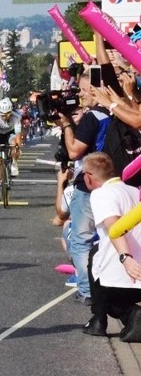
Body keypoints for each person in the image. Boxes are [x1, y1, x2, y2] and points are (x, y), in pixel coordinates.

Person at [56, 72, 111, 305]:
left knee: (80, 240)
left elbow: (74, 151)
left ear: (96, 90)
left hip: (88, 182)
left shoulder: (93, 117)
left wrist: (67, 124)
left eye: (83, 90)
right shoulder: (113, 113)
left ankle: (88, 290)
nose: (80, 95)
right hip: (111, 179)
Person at [82, 152, 141, 340]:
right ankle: (131, 315)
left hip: (121, 271)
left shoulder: (101, 194)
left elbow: (114, 227)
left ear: (89, 176)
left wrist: (126, 258)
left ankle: (99, 321)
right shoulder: (132, 191)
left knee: (94, 255)